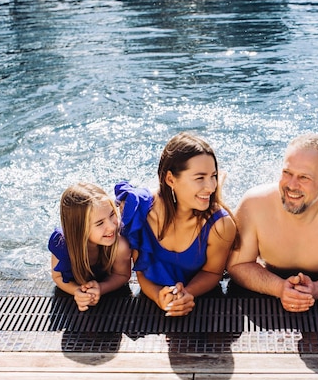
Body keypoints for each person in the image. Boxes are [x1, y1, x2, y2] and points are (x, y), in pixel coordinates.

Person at [226, 133, 318, 313]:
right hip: (269, 283)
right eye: (287, 173)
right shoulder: (254, 204)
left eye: (304, 177)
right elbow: (237, 265)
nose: (292, 185)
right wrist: (279, 288)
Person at [115, 132, 238, 317]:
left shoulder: (221, 226)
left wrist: (187, 294)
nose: (210, 186)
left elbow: (212, 273)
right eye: (200, 177)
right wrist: (158, 297)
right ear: (171, 179)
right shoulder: (139, 212)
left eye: (213, 176)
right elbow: (141, 272)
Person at [48, 182, 133, 311]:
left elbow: (122, 275)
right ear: (79, 230)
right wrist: (77, 291)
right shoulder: (62, 244)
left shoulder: (120, 244)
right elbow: (57, 276)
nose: (111, 226)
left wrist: (101, 288)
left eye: (112, 215)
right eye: (100, 223)